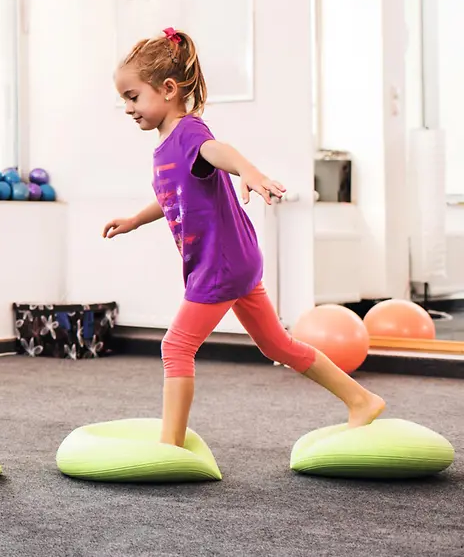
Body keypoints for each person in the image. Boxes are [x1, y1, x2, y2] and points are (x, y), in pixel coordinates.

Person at [103, 27, 386, 446]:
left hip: (221, 263)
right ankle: (361, 399)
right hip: (233, 259)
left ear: (167, 89)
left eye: (132, 96)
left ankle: (171, 444)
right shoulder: (165, 145)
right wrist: (135, 219)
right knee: (278, 346)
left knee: (175, 347)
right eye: (123, 98)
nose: (127, 108)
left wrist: (248, 171)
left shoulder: (188, 132)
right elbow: (170, 197)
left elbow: (219, 151)